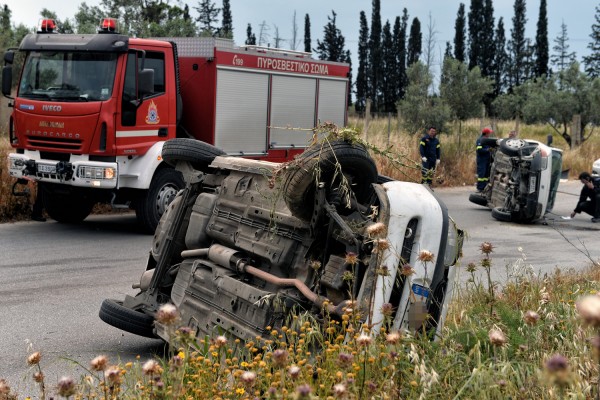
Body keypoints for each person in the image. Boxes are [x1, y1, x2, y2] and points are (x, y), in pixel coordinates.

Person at [475, 127, 494, 192]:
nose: (489, 134)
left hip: (487, 160)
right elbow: (479, 150)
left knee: (486, 174)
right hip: (482, 160)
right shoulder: (480, 140)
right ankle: (480, 188)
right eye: (489, 133)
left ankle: (485, 187)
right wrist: (488, 150)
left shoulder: (487, 139)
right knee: (481, 175)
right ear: (486, 133)